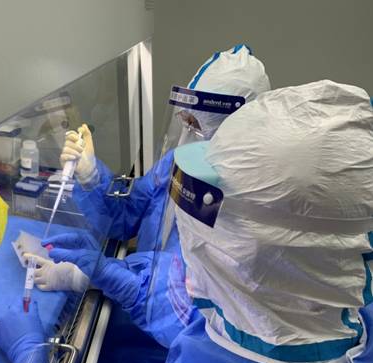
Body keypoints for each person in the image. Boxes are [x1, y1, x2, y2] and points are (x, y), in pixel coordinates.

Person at [0, 80, 373, 363]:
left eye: (207, 239)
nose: (194, 252)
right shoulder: (316, 312)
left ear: (250, 256)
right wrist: (95, 193)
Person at [30, 44, 271, 347]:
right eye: (185, 117)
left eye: (196, 123)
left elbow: (194, 315)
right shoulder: (180, 160)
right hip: (134, 318)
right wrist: (91, 176)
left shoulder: (246, 203)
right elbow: (129, 214)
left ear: (233, 129)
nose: (186, 129)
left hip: (175, 351)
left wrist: (96, 277)